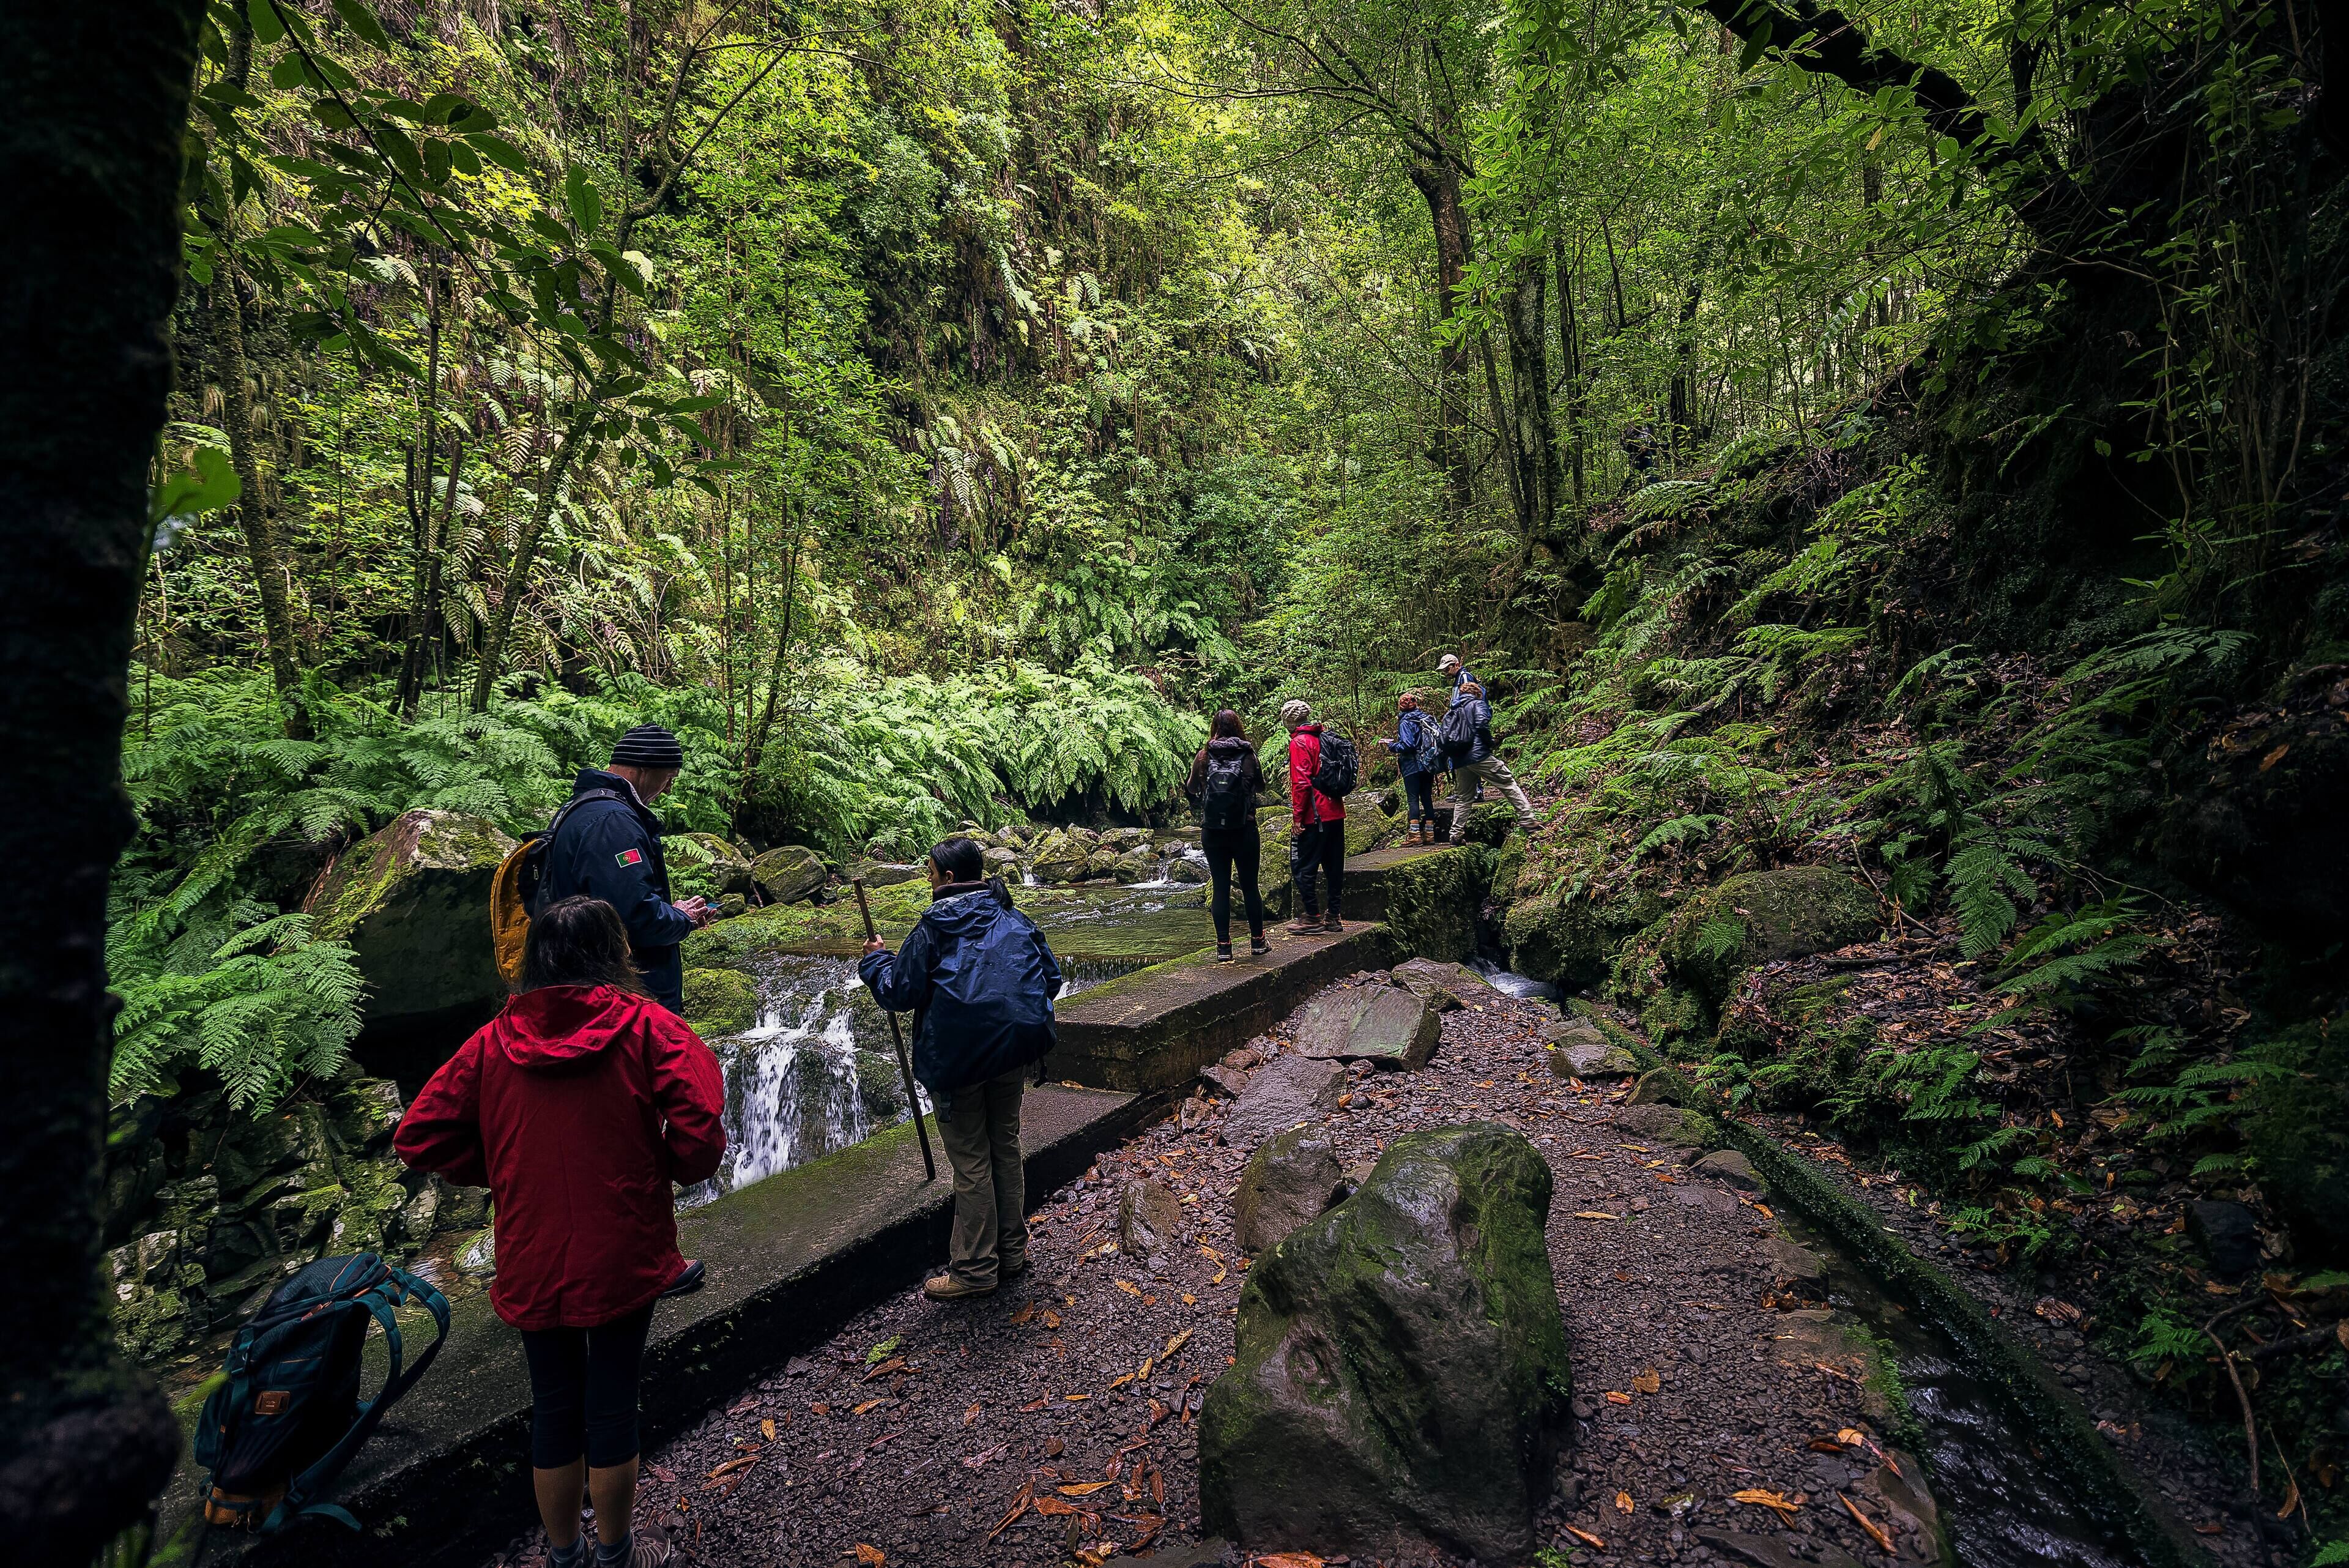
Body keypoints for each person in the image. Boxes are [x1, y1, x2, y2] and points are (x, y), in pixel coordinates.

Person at [395, 896, 725, 1568]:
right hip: (623, 1244)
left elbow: (418, 1134)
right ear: (615, 953)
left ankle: (564, 1553)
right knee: (611, 1402)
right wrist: (671, 1166)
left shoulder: (492, 1041)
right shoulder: (647, 1026)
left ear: (535, 960)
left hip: (531, 1248)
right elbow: (699, 1122)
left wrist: (500, 1167)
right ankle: (617, 1552)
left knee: (553, 1406)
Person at [859, 839, 1063, 1301]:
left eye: (931, 872)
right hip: (1013, 1051)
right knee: (1004, 1147)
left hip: (958, 1062)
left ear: (950, 879)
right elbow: (1050, 977)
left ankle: (975, 1269)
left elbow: (899, 992)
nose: (928, 879)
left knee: (971, 1162)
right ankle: (1011, 1252)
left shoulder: (932, 928)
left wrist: (875, 960)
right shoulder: (1012, 915)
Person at [542, 724, 715, 1014]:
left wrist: (670, 910)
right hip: (623, 997)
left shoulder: (584, 807)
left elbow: (614, 901)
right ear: (642, 770)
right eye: (669, 777)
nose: (670, 788)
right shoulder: (613, 823)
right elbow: (635, 918)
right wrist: (683, 919)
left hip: (584, 983)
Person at [1184, 710, 1270, 961]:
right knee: (1250, 886)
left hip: (1212, 831)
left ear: (1214, 729)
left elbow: (1191, 789)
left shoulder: (1204, 756)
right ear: (1238, 728)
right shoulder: (1248, 755)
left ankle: (1224, 946)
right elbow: (1261, 786)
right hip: (1244, 829)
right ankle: (1257, 941)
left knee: (1220, 886)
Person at [1445, 680, 1542, 842]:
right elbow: (1482, 724)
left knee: (1464, 798)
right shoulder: (1478, 705)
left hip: (1459, 760)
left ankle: (1455, 835)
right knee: (1508, 783)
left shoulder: (1454, 710)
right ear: (1477, 693)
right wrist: (1489, 743)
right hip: (1478, 756)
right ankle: (1529, 821)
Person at [1279, 699, 1345, 933]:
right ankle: (1334, 916)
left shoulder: (1299, 742)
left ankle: (1313, 917)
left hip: (1314, 816)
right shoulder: (1324, 737)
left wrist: (1297, 818)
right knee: (1334, 866)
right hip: (1336, 811)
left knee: (1301, 865)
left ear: (1289, 721)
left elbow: (1301, 782)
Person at [1384, 694, 1439, 846]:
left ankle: (1415, 835)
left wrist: (1392, 746)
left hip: (1412, 765)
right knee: (1427, 798)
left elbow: (1408, 745)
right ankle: (1430, 834)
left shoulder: (1406, 722)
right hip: (1428, 764)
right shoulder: (1425, 718)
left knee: (1413, 799)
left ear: (1400, 706)